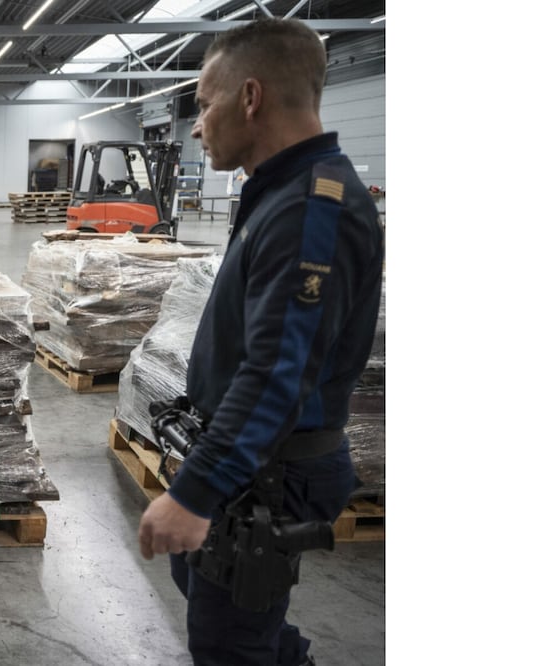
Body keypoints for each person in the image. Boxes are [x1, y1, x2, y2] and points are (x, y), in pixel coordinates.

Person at [137, 18, 384, 666]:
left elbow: (278, 372)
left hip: (274, 471)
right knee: (236, 625)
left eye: (203, 103)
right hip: (252, 463)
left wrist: (195, 492)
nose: (196, 124)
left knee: (229, 646)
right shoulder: (280, 195)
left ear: (250, 98)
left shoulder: (309, 209)